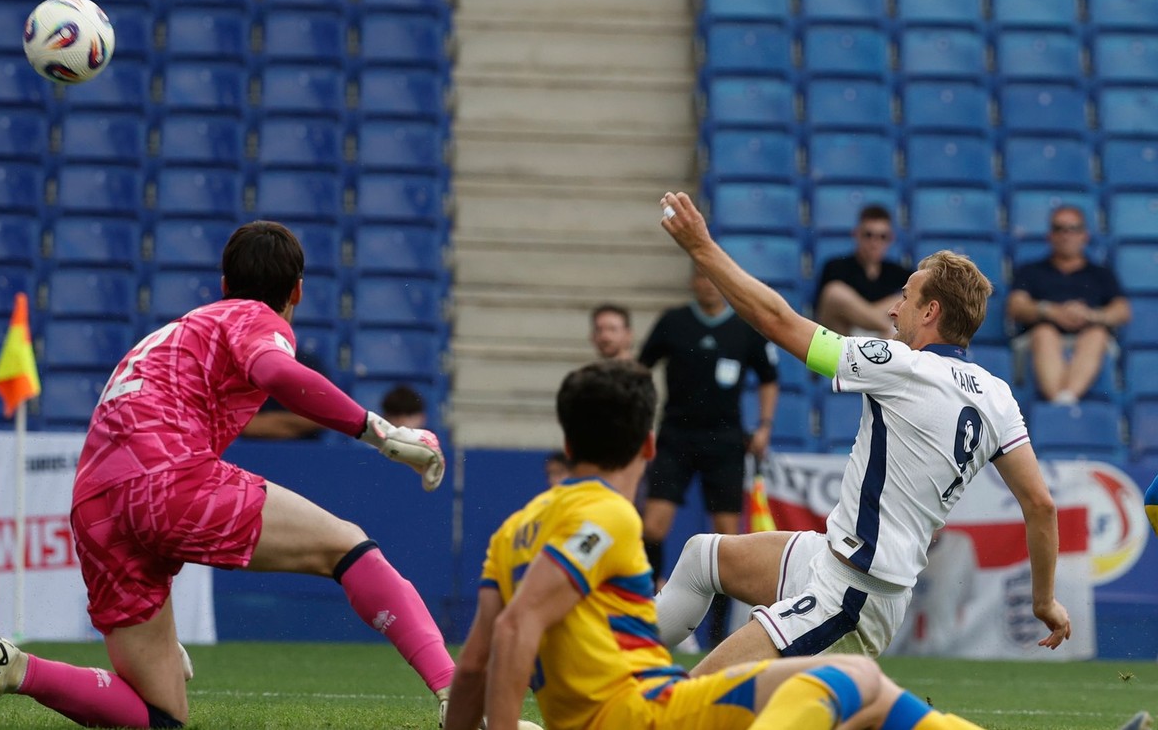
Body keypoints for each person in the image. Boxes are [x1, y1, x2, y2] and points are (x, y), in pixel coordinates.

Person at [0, 221, 456, 728]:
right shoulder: (253, 317)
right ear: (297, 291)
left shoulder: (172, 333)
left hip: (95, 508)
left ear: (223, 283)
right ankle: (456, 696)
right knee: (350, 549)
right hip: (166, 477)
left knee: (161, 716)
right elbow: (273, 371)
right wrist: (377, 432)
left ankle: (14, 668)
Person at [443, 360, 1113, 730]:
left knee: (861, 691)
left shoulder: (513, 530)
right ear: (650, 446)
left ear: (565, 445)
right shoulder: (612, 515)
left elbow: (471, 665)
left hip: (632, 702)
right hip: (643, 715)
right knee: (851, 682)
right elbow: (520, 624)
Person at [653, 192, 1071, 676]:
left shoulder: (902, 366)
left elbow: (776, 321)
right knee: (703, 556)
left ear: (931, 311)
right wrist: (1045, 599)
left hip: (851, 595)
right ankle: (614, 670)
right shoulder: (996, 396)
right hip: (833, 564)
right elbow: (1040, 505)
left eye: (906, 297)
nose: (894, 312)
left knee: (693, 698)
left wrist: (702, 248)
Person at [638, 268, 778, 575]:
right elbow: (641, 368)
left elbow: (769, 378)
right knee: (652, 527)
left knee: (726, 538)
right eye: (702, 277)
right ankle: (648, 603)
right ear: (692, 282)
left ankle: (717, 624)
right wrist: (642, 417)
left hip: (725, 439)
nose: (708, 285)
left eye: (714, 278)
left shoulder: (743, 327)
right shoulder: (673, 322)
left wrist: (765, 425)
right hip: (676, 435)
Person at [1006, 205, 1130, 404]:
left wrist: (1090, 315)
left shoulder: (1100, 274)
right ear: (1050, 235)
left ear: (1085, 235)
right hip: (1038, 339)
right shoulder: (1030, 270)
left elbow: (1122, 310)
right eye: (1059, 229)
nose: (1066, 235)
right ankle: (1064, 403)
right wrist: (1050, 311)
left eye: (1073, 229)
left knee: (1097, 334)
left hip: (1088, 337)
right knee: (1044, 332)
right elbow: (1016, 306)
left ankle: (1062, 402)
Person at [814, 205, 912, 338]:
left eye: (882, 236)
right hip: (843, 338)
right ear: (856, 234)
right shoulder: (835, 267)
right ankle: (887, 327)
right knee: (834, 292)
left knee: (908, 297)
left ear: (890, 239)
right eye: (868, 235)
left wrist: (860, 312)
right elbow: (823, 311)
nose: (875, 242)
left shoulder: (898, 272)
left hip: (881, 341)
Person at [240, 349, 329, 439]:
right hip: (249, 445)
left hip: (304, 445)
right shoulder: (242, 365)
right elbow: (248, 426)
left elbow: (325, 417)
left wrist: (275, 423)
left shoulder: (306, 363)